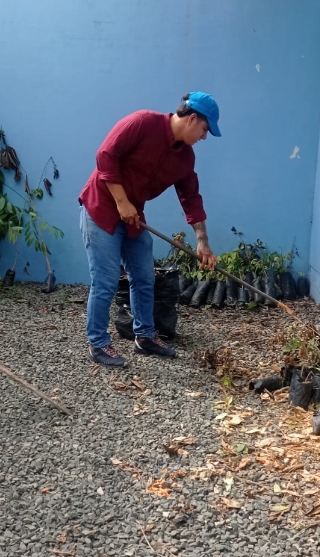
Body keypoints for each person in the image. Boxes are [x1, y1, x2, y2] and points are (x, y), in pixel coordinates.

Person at [79, 92, 220, 366]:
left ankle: (144, 336)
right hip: (101, 208)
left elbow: (191, 198)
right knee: (106, 281)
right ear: (192, 119)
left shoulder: (185, 158)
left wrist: (202, 241)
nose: (204, 137)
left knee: (145, 277)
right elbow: (105, 155)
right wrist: (121, 201)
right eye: (205, 129)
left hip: (133, 217)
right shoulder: (143, 122)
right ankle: (98, 343)